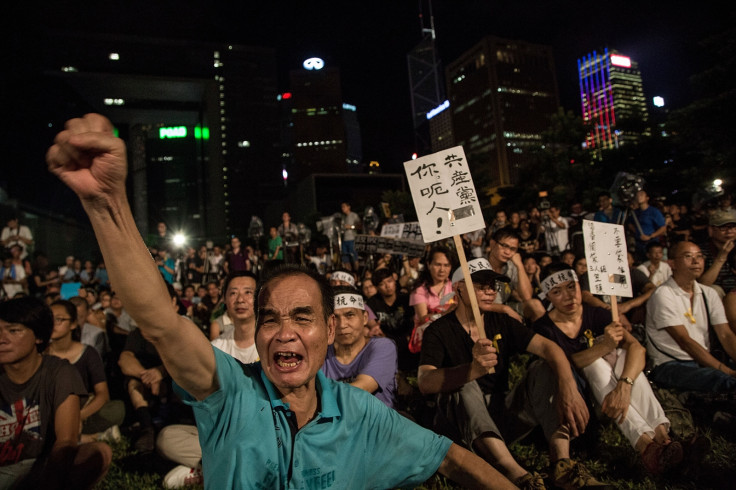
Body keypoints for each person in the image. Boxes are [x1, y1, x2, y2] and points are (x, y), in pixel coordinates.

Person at [47, 113, 517, 489]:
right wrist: (107, 203)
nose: (284, 331)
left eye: (302, 316)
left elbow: (451, 458)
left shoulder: (358, 413)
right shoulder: (230, 392)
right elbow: (160, 322)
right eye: (269, 318)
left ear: (330, 331)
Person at [419, 259, 607, 489]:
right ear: (459, 288)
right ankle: (515, 473)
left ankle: (563, 464)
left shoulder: (501, 321)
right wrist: (472, 370)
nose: (490, 292)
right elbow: (425, 382)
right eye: (481, 286)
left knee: (543, 367)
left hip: (502, 411)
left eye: (493, 286)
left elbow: (550, 349)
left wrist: (568, 387)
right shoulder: (439, 330)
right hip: (463, 423)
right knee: (465, 383)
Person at [533, 264, 683, 475]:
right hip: (585, 398)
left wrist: (624, 386)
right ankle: (647, 444)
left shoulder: (598, 314)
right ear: (547, 296)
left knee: (625, 357)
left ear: (579, 285)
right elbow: (564, 364)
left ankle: (660, 439)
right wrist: (603, 347)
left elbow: (637, 349)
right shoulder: (544, 328)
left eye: (571, 287)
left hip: (615, 390)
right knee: (594, 363)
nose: (568, 296)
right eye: (557, 292)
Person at [0, 297, 111, 489]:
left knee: (99, 452)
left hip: (40, 467)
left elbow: (66, 441)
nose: (2, 339)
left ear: (39, 336)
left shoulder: (60, 371)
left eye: (13, 330)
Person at [646, 241, 736, 392]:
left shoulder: (709, 293)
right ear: (672, 263)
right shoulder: (663, 294)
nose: (696, 261)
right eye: (688, 256)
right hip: (670, 365)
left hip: (701, 362)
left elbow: (725, 335)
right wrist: (725, 370)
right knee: (724, 380)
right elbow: (684, 341)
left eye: (699, 256)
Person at [45, 300, 124, 444]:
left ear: (73, 324)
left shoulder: (88, 353)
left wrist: (78, 416)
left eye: (59, 319)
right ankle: (91, 438)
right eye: (48, 319)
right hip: (52, 411)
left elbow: (102, 394)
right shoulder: (41, 354)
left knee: (116, 409)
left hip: (83, 409)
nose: (52, 324)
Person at [321, 286, 397, 408]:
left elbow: (362, 388)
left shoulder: (383, 347)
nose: (342, 325)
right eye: (335, 318)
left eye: (350, 315)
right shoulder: (321, 353)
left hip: (376, 425)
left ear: (365, 318)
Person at [366, 267, 415, 371]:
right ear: (377, 287)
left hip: (407, 341)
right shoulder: (372, 303)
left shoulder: (406, 298)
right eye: (382, 284)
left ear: (394, 281)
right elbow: (373, 327)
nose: (388, 286)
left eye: (389, 281)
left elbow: (414, 321)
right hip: (385, 342)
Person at [698, 208, 736, 295]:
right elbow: (702, 285)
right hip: (716, 297)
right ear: (711, 230)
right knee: (714, 289)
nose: (729, 231)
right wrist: (721, 258)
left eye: (733, 227)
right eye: (723, 227)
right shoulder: (701, 251)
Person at [630, 190, 667, 261]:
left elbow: (663, 227)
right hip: (639, 244)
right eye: (637, 195)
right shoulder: (635, 212)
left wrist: (650, 236)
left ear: (647, 198)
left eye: (641, 195)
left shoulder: (654, 211)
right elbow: (630, 224)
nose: (639, 197)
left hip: (651, 243)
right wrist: (636, 232)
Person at [340, 201, 361, 271]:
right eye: (342, 207)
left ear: (349, 207)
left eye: (344, 206)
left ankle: (357, 273)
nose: (342, 208)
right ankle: (349, 272)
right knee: (345, 258)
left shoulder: (353, 215)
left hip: (352, 239)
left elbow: (359, 226)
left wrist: (351, 227)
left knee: (354, 257)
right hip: (345, 240)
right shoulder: (343, 217)